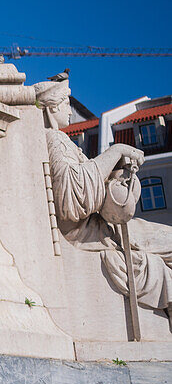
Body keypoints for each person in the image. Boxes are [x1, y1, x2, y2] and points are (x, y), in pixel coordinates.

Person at [38, 79, 172, 318]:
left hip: (102, 226)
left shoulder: (64, 143)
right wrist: (115, 151)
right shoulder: (53, 140)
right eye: (65, 103)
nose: (70, 110)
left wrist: (115, 174)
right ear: (50, 109)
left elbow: (88, 181)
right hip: (90, 232)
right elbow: (74, 196)